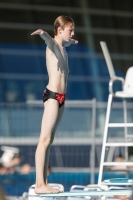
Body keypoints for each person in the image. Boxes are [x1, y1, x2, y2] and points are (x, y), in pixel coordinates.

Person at [31, 15, 78, 194]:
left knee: (49, 141)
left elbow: (66, 43)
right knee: (44, 139)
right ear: (59, 30)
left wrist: (72, 42)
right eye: (70, 30)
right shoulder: (53, 45)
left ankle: (44, 182)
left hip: (61, 99)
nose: (72, 33)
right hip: (52, 97)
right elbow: (49, 41)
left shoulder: (64, 47)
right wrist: (43, 34)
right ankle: (39, 185)